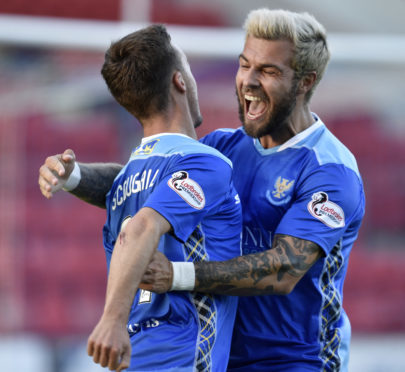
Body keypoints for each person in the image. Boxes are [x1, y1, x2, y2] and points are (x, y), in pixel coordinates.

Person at [39, 9, 365, 372]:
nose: (249, 81)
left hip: (297, 361)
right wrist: (75, 176)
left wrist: (179, 274)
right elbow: (153, 185)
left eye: (268, 71)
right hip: (223, 359)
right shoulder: (223, 149)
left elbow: (284, 270)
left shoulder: (330, 171)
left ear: (306, 81)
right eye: (245, 66)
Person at [41, 25, 242, 371]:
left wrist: (73, 176)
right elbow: (140, 230)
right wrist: (112, 320)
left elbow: (126, 202)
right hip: (182, 357)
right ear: (179, 81)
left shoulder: (128, 180)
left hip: (137, 358)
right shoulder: (206, 163)